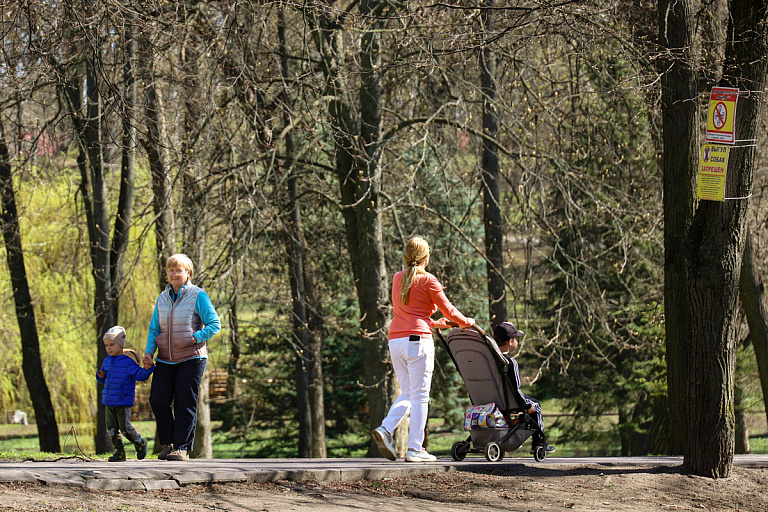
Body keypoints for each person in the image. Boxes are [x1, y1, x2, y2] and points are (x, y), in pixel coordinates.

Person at [372, 236, 475, 462]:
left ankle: (386, 429)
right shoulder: (428, 280)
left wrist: (434, 322)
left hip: (396, 340)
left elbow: (411, 313)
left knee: (408, 393)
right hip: (418, 342)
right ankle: (415, 448)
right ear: (426, 258)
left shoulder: (398, 278)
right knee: (420, 397)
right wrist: (465, 321)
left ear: (406, 257)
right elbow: (448, 309)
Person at [143, 254, 221, 461]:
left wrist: (196, 338)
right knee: (158, 399)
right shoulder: (163, 298)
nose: (174, 273)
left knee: (185, 401)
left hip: (191, 358)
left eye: (179, 270)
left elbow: (214, 324)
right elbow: (154, 329)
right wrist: (149, 352)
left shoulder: (198, 296)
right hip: (165, 358)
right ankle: (168, 444)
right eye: (171, 270)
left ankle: (182, 448)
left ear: (188, 273)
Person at [492, 321, 555, 454]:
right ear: (510, 342)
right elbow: (515, 390)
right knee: (535, 405)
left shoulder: (488, 360)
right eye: (516, 339)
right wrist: (526, 406)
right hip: (507, 401)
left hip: (488, 399)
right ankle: (539, 443)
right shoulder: (510, 363)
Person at [96, 325, 155, 462]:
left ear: (120, 345)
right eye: (106, 345)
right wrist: (100, 376)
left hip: (122, 401)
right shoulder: (107, 361)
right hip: (109, 400)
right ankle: (119, 452)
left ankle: (140, 442)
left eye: (111, 345)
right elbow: (103, 379)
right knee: (111, 429)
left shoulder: (128, 362)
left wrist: (148, 368)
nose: (108, 348)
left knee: (125, 429)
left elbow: (140, 375)